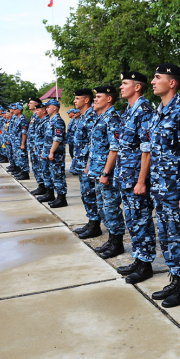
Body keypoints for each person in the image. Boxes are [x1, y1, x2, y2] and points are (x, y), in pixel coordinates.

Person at [147, 63, 180, 308]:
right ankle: (175, 279)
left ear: (172, 82)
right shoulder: (159, 111)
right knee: (166, 238)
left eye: (158, 77)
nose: (153, 82)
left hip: (175, 189)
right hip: (160, 188)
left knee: (179, 238)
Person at [113, 71, 157, 284]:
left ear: (137, 87)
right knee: (132, 220)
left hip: (136, 180)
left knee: (142, 221)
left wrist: (141, 181)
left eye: (125, 83)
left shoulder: (144, 111)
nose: (121, 87)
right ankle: (138, 259)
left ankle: (146, 264)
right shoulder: (129, 110)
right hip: (126, 177)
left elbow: (147, 150)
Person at [86, 85, 126, 259]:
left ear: (109, 99)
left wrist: (106, 173)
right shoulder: (101, 118)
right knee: (102, 208)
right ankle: (111, 240)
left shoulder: (113, 118)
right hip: (97, 172)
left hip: (106, 174)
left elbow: (114, 148)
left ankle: (117, 243)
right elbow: (95, 145)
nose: (95, 100)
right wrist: (90, 166)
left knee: (111, 208)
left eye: (98, 97)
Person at [71, 89, 102, 239]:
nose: (74, 101)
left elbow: (93, 143)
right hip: (81, 163)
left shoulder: (91, 117)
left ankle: (95, 225)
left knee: (90, 194)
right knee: (85, 194)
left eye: (77, 98)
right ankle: (91, 221)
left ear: (86, 100)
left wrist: (89, 164)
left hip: (87, 164)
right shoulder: (83, 117)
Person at [39, 99, 67, 208]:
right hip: (50, 154)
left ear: (55, 108)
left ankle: (61, 198)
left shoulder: (58, 121)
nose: (46, 109)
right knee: (52, 175)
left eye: (48, 107)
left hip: (56, 154)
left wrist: (51, 152)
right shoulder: (51, 120)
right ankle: (53, 195)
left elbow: (57, 138)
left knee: (58, 175)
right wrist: (45, 151)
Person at [28, 98, 46, 195]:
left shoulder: (38, 116)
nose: (28, 104)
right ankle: (40, 185)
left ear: (36, 105)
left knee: (40, 167)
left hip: (37, 146)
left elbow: (39, 133)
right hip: (33, 145)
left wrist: (36, 145)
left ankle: (43, 186)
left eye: (30, 103)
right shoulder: (34, 116)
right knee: (35, 166)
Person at [10, 103, 30, 181]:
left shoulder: (23, 119)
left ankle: (25, 173)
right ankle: (20, 171)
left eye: (15, 109)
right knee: (18, 157)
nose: (13, 111)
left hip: (20, 142)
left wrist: (22, 143)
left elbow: (24, 133)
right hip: (16, 142)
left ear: (19, 110)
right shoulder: (16, 119)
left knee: (22, 157)